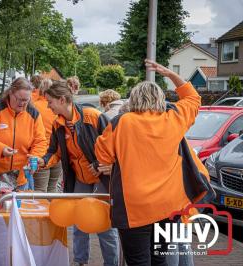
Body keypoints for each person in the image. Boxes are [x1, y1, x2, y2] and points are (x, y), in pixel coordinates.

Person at [95, 59, 214, 266]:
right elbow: (193, 98)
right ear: (160, 99)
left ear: (133, 99)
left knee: (138, 261)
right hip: (169, 206)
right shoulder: (174, 118)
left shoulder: (121, 123)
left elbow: (103, 156)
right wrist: (170, 74)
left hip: (134, 207)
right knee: (159, 259)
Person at [38, 80, 119, 266]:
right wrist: (43, 161)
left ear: (62, 99)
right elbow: (54, 151)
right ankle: (80, 261)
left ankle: (112, 263)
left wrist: (100, 163)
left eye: (50, 102)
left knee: (103, 223)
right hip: (80, 177)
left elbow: (114, 144)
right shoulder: (57, 124)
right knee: (78, 220)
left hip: (102, 178)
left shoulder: (93, 116)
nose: (48, 106)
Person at [0, 77, 47, 189]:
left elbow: (40, 141)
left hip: (21, 178)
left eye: (26, 100)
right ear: (10, 93)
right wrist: (1, 149)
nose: (22, 104)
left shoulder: (33, 114)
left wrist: (35, 157)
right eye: (19, 99)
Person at [33, 78, 63, 192]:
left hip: (41, 153)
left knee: (40, 190)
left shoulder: (34, 106)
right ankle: (52, 210)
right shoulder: (58, 108)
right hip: (57, 153)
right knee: (53, 189)